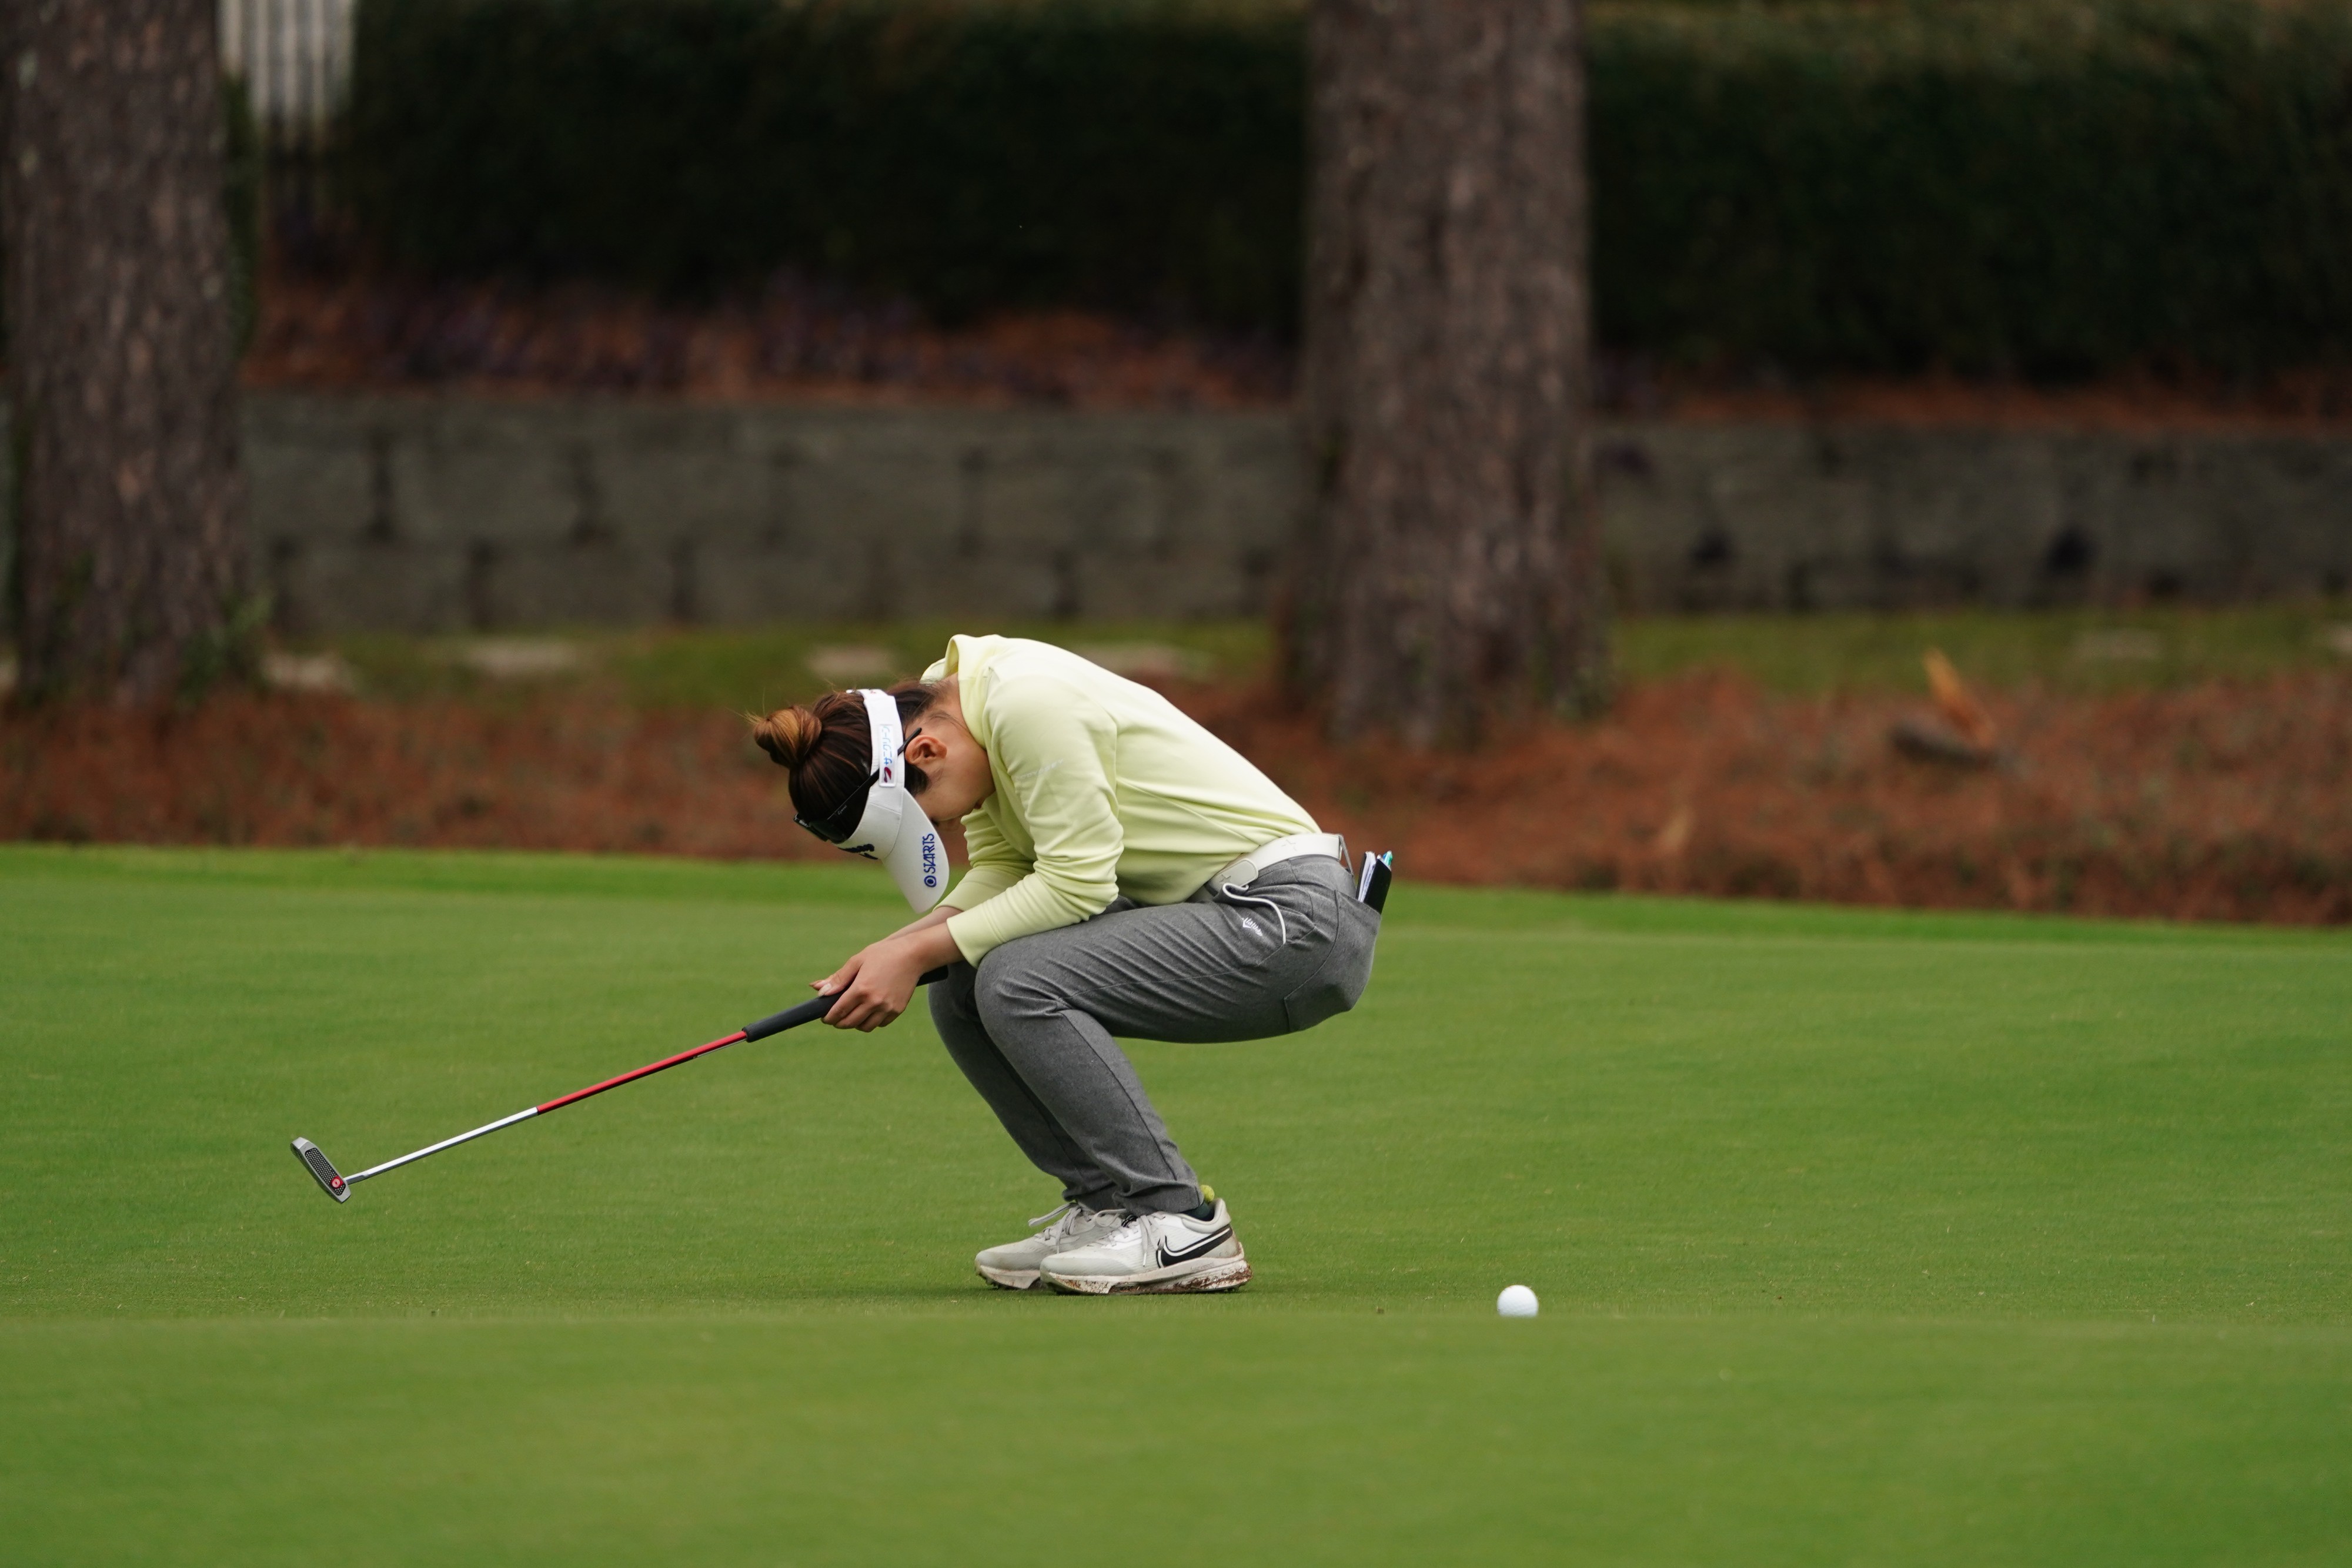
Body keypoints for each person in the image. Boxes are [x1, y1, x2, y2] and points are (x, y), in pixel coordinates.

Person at [751, 634, 1384, 1295]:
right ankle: (1111, 1205)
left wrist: (912, 951)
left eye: (930, 819)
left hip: (1292, 923)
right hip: (1229, 910)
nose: (947, 827)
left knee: (1017, 980)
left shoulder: (1026, 704)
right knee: (962, 980)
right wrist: (897, 950)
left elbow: (1079, 884)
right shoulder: (964, 707)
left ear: (926, 752)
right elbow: (1005, 869)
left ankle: (1179, 1221)